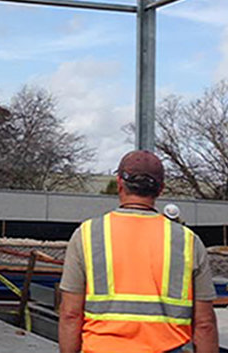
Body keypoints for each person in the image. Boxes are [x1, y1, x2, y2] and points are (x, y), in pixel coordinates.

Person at [58, 150, 219, 353]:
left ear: (119, 183)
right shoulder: (188, 241)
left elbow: (70, 314)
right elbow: (204, 324)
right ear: (160, 189)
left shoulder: (87, 235)